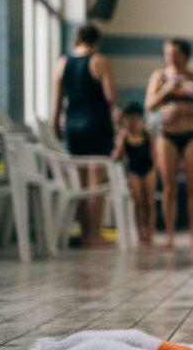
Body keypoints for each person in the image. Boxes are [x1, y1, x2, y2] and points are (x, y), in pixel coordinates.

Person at [50, 23, 119, 247]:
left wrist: (54, 127)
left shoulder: (62, 63)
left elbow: (57, 102)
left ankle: (82, 232)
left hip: (72, 124)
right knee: (95, 181)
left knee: (80, 183)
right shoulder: (99, 61)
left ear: (76, 40)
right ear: (96, 41)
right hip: (95, 123)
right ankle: (94, 236)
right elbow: (110, 97)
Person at [145, 38, 193, 249]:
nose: (170, 58)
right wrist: (168, 89)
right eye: (167, 54)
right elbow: (149, 105)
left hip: (192, 133)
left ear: (185, 55)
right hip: (167, 134)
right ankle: (170, 236)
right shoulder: (159, 76)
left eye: (175, 54)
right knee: (169, 187)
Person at [110, 102, 155, 247]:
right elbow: (116, 156)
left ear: (140, 119)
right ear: (124, 121)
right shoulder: (124, 137)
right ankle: (140, 232)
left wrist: (155, 170)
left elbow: (154, 156)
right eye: (128, 120)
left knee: (150, 202)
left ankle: (150, 233)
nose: (132, 123)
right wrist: (118, 145)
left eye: (135, 119)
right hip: (134, 170)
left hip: (148, 169)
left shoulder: (147, 135)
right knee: (138, 202)